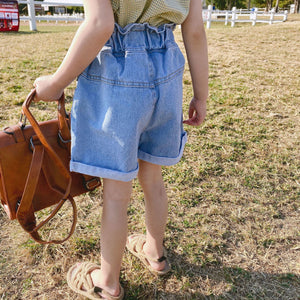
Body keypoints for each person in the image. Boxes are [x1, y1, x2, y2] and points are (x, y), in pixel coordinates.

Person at [34, 0, 208, 299]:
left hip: (117, 70)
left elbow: (100, 24)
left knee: (116, 192)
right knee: (152, 177)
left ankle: (107, 282)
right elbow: (193, 30)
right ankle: (155, 253)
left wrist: (54, 83)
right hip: (167, 66)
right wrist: (201, 95)